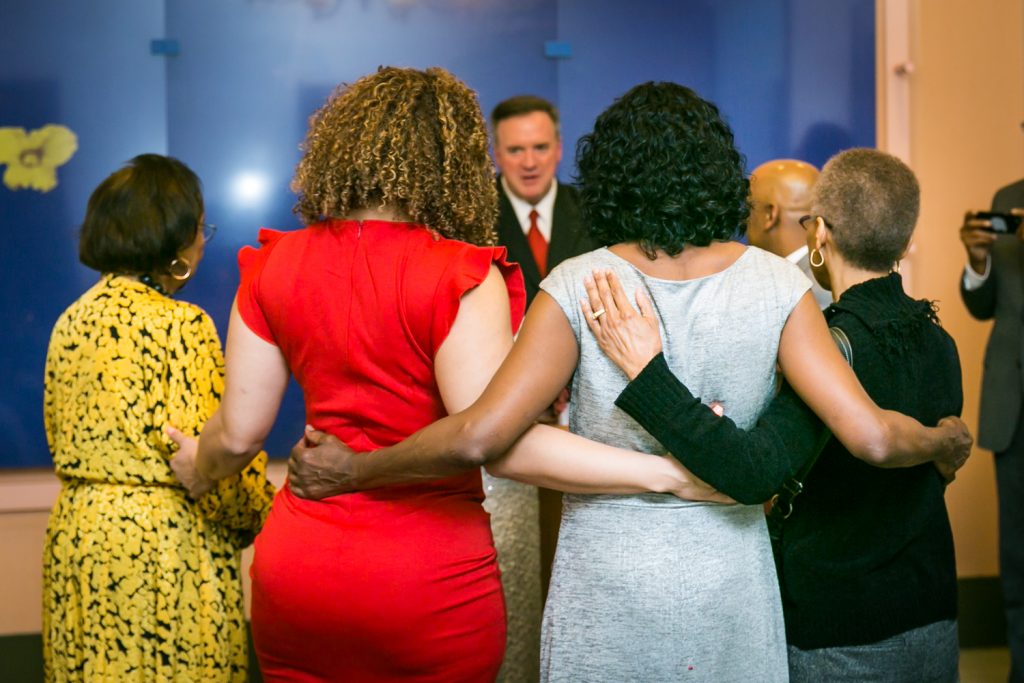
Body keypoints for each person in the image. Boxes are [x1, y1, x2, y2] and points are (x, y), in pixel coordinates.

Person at [283, 83, 970, 681]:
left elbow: (482, 434)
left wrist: (359, 467)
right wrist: (943, 438)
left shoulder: (578, 284)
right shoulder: (779, 288)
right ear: (717, 171)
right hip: (730, 579)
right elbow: (870, 435)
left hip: (608, 583)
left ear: (609, 174)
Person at [167, 67, 711, 682]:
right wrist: (668, 472)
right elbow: (497, 441)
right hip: (426, 577)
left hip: (301, 568)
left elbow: (238, 436)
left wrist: (196, 466)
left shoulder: (272, 265)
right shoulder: (459, 273)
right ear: (452, 161)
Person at [583, 148, 967, 682]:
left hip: (841, 629)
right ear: (906, 241)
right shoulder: (939, 339)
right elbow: (932, 476)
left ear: (821, 234)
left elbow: (752, 469)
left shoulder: (827, 350)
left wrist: (648, 376)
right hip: (934, 615)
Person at [42, 154, 274, 682]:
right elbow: (211, 454)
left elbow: (59, 437)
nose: (202, 241)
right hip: (160, 552)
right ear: (175, 242)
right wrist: (257, 511)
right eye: (199, 229)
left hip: (79, 536)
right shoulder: (181, 325)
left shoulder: (70, 320)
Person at [488, 94, 598, 682]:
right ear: (496, 153)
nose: (528, 161)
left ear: (557, 148)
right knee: (511, 575)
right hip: (504, 415)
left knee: (570, 560)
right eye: (514, 149)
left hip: (584, 413)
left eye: (539, 147)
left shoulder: (595, 213)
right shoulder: (473, 217)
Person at [960, 178, 1024, 683]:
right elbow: (984, 307)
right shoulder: (1005, 199)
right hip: (1014, 407)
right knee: (1017, 556)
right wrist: (977, 260)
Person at [746, 158, 833, 308]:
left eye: (748, 208)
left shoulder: (808, 292)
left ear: (770, 215)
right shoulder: (827, 277)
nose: (743, 219)